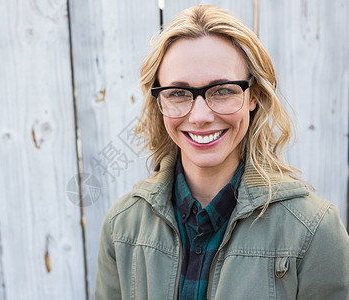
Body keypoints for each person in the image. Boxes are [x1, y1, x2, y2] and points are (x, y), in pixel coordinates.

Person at [95, 5, 349, 300]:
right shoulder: (122, 226)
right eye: (178, 93)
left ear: (254, 96)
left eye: (223, 90)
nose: (200, 115)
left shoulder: (313, 229)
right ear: (159, 102)